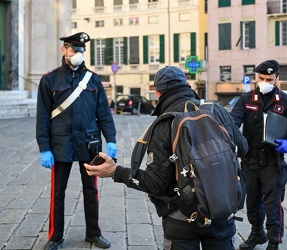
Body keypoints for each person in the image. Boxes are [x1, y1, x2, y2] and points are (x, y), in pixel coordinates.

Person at [84, 66, 249, 250]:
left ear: (157, 92)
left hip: (182, 217)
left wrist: (116, 172)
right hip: (222, 208)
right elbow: (242, 148)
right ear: (187, 85)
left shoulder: (164, 123)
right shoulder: (216, 110)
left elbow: (156, 184)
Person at [36, 32, 117, 250]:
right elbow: (42, 118)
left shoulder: (93, 79)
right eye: (74, 50)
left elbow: (104, 114)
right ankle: (55, 237)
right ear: (64, 50)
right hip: (60, 144)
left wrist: (111, 139)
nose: (78, 55)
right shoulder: (49, 80)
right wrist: (45, 148)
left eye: (81, 51)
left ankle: (93, 233)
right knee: (58, 192)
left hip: (89, 143)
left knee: (91, 190)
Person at [230, 60, 287, 250]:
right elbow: (233, 121)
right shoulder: (246, 99)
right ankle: (257, 233)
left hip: (272, 162)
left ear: (277, 79)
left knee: (272, 205)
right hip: (249, 161)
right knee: (252, 202)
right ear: (257, 77)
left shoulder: (286, 102)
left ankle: (274, 241)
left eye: (269, 79)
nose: (265, 81)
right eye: (262, 78)